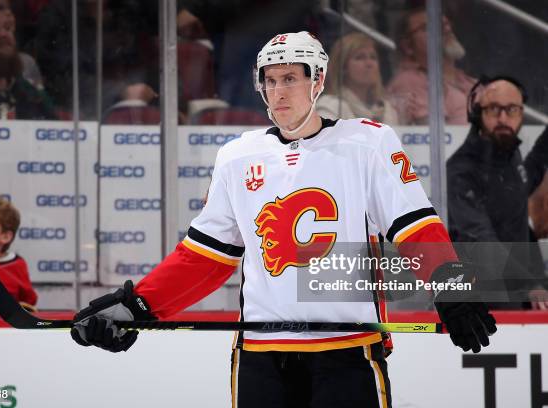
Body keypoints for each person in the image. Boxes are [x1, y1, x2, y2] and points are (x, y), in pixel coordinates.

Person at [70, 32, 496, 407]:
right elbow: (205, 256)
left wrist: (451, 287)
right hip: (262, 353)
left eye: (291, 78)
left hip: (347, 348)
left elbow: (414, 226)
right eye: (270, 81)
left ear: (319, 81)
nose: (278, 92)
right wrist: (138, 305)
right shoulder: (238, 155)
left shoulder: (368, 142)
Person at [447, 76, 548, 310]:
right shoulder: (461, 170)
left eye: (511, 109)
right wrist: (531, 285)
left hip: (522, 298)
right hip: (484, 306)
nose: (503, 118)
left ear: (522, 113)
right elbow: (482, 241)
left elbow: (522, 183)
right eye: (494, 109)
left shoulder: (509, 155)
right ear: (477, 113)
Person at [386, 7, 475, 125]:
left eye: (445, 24)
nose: (446, 29)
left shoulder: (469, 81)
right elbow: (432, 133)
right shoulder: (409, 81)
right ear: (407, 46)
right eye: (431, 27)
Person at [316, 32, 398, 124]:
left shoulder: (387, 109)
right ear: (343, 67)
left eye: (373, 57)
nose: (369, 63)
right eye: (360, 58)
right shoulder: (330, 106)